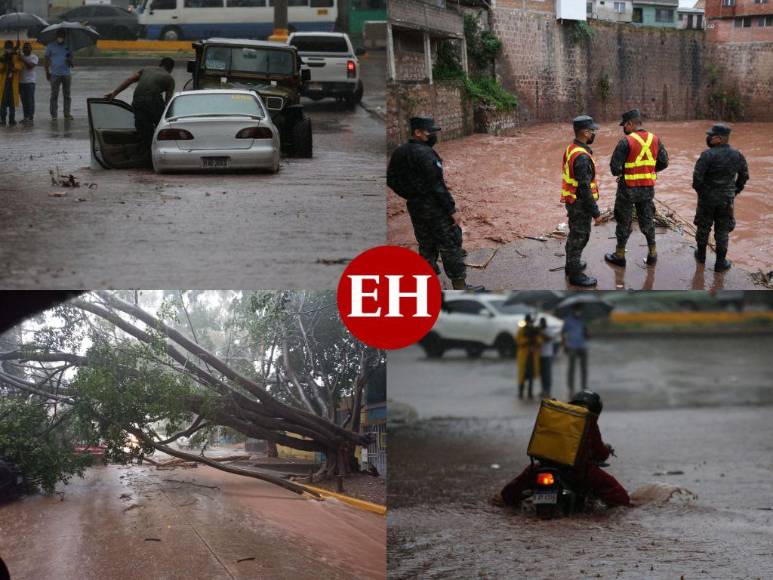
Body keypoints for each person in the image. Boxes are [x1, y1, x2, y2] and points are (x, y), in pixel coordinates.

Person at [494, 391, 630, 508]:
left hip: (545, 467)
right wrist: (606, 451)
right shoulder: (589, 419)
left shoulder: (557, 416)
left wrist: (505, 497)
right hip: (578, 474)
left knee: (510, 493)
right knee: (622, 499)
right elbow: (599, 451)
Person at [387, 117, 478, 290]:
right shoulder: (426, 153)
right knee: (450, 244)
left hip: (415, 207)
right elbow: (437, 185)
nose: (434, 135)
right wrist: (452, 210)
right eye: (430, 132)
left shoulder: (400, 151)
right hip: (435, 208)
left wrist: (410, 194)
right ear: (418, 133)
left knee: (426, 245)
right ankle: (460, 287)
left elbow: (391, 179)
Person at [605, 109, 669, 268]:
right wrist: (648, 171)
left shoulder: (625, 142)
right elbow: (664, 162)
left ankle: (620, 255)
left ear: (630, 124)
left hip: (628, 189)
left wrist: (624, 172)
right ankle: (653, 253)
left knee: (623, 221)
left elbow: (614, 168)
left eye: (624, 125)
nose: (623, 128)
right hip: (647, 188)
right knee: (647, 219)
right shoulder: (655, 139)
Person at [692, 124, 749, 273]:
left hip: (707, 200)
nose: (708, 138)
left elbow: (697, 179)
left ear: (719, 138)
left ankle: (701, 257)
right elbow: (744, 176)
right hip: (726, 200)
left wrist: (702, 193)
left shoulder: (707, 155)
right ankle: (720, 263)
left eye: (711, 135)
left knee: (703, 227)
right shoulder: (737, 155)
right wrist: (735, 191)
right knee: (722, 231)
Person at [561, 115, 603, 287]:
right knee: (580, 237)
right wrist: (596, 213)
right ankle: (576, 275)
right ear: (585, 133)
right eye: (592, 131)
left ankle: (570, 265)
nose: (594, 134)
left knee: (574, 235)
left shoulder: (571, 148)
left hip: (572, 200)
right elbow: (585, 188)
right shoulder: (582, 157)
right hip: (580, 204)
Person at [105, 57, 176, 158]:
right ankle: (156, 152)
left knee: (142, 128)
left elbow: (129, 80)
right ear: (171, 69)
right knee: (161, 126)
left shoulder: (146, 69)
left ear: (160, 64)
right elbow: (168, 102)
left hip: (137, 100)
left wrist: (114, 93)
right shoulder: (169, 78)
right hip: (153, 101)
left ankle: (144, 150)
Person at [44, 30, 73, 120]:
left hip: (66, 74)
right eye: (59, 35)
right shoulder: (50, 46)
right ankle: (54, 115)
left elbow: (72, 63)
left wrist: (69, 59)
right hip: (55, 74)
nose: (61, 37)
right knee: (54, 95)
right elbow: (46, 59)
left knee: (67, 95)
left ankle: (67, 114)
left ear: (65, 36)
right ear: (56, 36)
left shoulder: (68, 46)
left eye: (62, 35)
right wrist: (47, 72)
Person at [562, 306, 588, 395]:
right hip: (572, 346)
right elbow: (563, 332)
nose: (578, 312)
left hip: (582, 346)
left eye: (580, 310)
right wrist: (564, 345)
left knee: (584, 368)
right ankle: (571, 388)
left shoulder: (583, 320)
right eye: (577, 310)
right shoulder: (568, 320)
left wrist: (586, 332)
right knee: (571, 369)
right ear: (573, 310)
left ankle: (584, 387)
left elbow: (586, 334)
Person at [516, 315, 542, 400]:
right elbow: (517, 340)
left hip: (532, 356)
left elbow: (539, 341)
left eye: (530, 321)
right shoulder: (522, 330)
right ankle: (521, 393)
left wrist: (535, 340)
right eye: (528, 321)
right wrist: (527, 341)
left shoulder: (534, 331)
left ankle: (530, 393)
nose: (529, 323)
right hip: (524, 356)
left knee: (531, 375)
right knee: (522, 375)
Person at [0, 41, 22, 127]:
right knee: (2, 104)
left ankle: (12, 120)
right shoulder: (2, 57)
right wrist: (5, 61)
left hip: (13, 85)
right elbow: (1, 70)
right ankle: (3, 120)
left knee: (12, 104)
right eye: (7, 47)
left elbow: (18, 68)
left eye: (10, 47)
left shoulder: (16, 57)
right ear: (5, 48)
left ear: (12, 48)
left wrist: (12, 58)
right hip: (3, 85)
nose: (8, 49)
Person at [19, 42, 38, 123]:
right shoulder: (20, 57)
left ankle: (30, 117)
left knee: (30, 100)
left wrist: (22, 59)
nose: (26, 49)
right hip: (21, 82)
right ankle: (25, 117)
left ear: (31, 49)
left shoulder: (34, 57)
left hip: (30, 82)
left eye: (28, 47)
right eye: (25, 47)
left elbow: (30, 66)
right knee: (23, 100)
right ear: (22, 49)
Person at [538, 317, 556, 398]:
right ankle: (543, 390)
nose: (542, 324)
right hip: (539, 355)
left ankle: (548, 391)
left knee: (547, 374)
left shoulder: (549, 330)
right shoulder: (539, 330)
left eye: (543, 323)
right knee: (542, 374)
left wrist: (541, 333)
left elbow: (549, 339)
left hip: (547, 355)